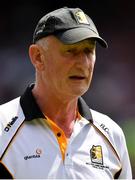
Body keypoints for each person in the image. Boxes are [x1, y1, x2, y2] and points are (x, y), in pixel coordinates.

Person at [0, 7, 132, 179]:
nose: (83, 63)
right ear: (38, 57)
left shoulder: (112, 134)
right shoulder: (2, 128)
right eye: (71, 50)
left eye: (88, 51)